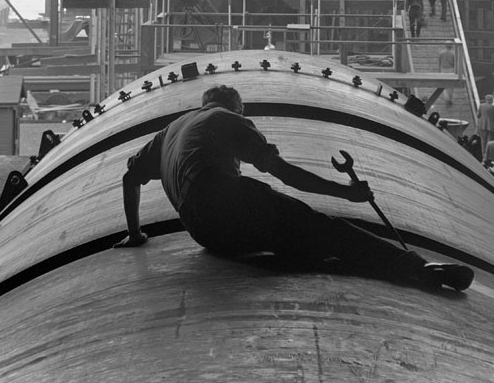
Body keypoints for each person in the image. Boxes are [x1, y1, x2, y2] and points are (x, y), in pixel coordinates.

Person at [114, 84, 474, 292]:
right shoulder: (227, 119)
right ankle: (418, 269)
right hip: (226, 198)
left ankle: (339, 258)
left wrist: (136, 234)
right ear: (234, 107)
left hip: (201, 231)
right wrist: (346, 192)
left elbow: (131, 178)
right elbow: (285, 174)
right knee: (324, 229)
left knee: (298, 245)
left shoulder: (170, 131)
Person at [437, 42, 455, 106]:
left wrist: (439, 71)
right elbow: (455, 63)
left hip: (443, 69)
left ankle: (447, 99)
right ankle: (449, 99)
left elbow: (439, 63)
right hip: (451, 70)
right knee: (450, 85)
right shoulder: (453, 53)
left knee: (444, 85)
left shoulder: (441, 53)